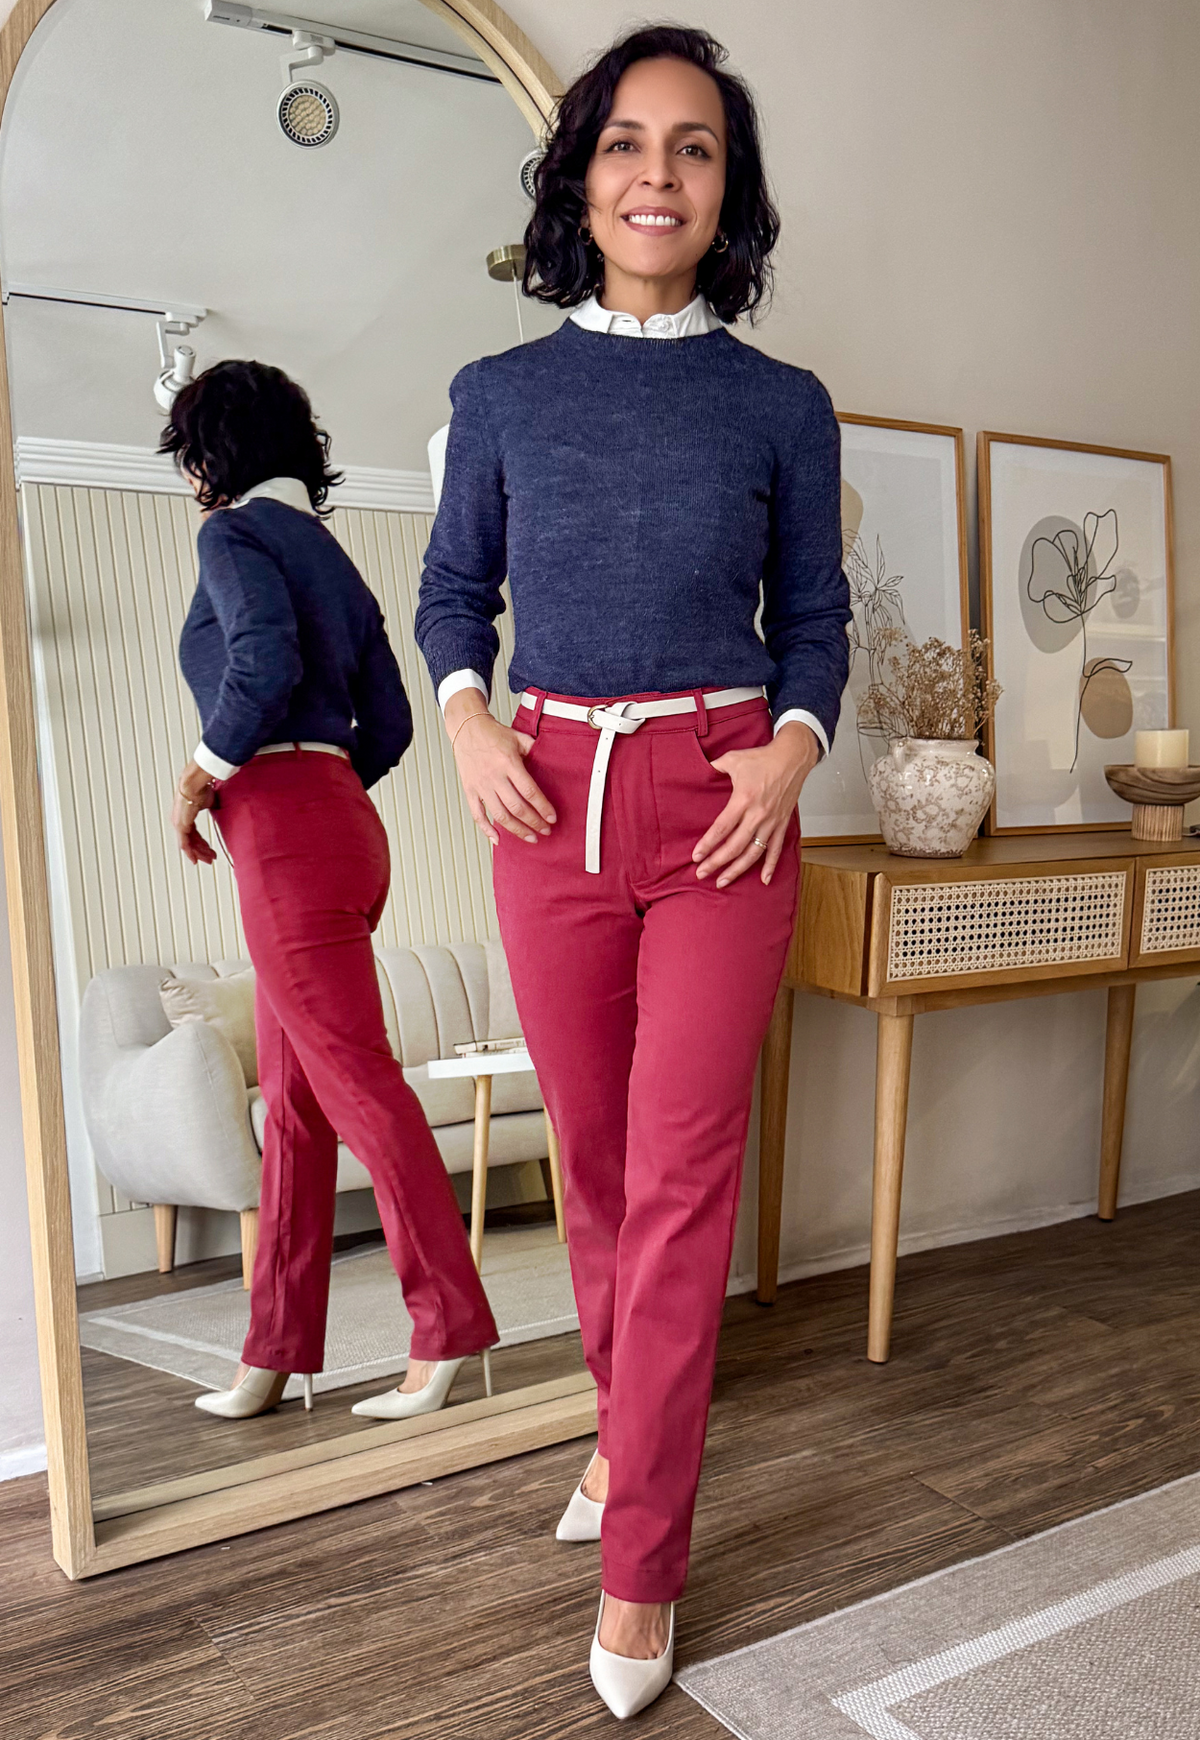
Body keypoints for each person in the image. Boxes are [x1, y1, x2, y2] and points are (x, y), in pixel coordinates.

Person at [415, 25, 850, 1719]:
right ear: (580, 175)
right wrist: (467, 718)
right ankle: (624, 1431)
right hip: (547, 799)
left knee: (677, 1184)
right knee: (593, 1172)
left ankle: (645, 1562)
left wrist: (792, 752)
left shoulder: (782, 407)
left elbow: (814, 624)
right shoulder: (499, 396)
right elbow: (454, 596)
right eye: (626, 143)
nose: (657, 174)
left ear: (727, 191)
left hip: (724, 800)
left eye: (695, 148)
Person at [165, 360, 497, 1425]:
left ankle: (448, 1326)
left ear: (214, 454)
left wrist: (203, 776)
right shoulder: (330, 555)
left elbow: (259, 662)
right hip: (346, 825)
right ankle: (273, 1351)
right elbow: (388, 725)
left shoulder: (232, 536)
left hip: (285, 834)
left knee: (356, 1087)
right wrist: (324, 785)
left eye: (190, 455)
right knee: (298, 1104)